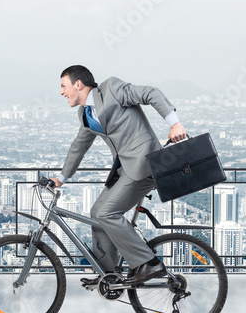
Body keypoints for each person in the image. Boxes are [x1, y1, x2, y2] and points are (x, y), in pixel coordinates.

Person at [50, 65, 188, 286]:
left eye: (63, 86)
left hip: (144, 166)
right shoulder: (85, 113)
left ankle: (149, 263)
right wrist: (62, 178)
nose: (61, 92)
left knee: (106, 213)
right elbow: (79, 146)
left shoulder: (111, 89)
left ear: (78, 84)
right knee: (97, 213)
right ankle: (108, 273)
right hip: (125, 170)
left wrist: (175, 124)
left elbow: (150, 93)